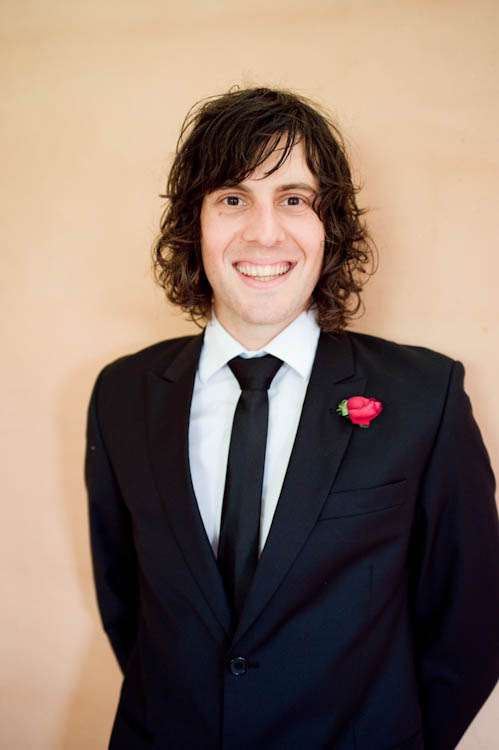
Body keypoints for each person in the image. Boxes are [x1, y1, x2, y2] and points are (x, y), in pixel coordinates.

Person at [85, 87, 499, 750]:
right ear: (194, 223)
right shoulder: (122, 393)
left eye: (294, 199)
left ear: (329, 225)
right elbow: (125, 602)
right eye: (232, 198)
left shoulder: (427, 395)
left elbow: (472, 620)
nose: (263, 232)